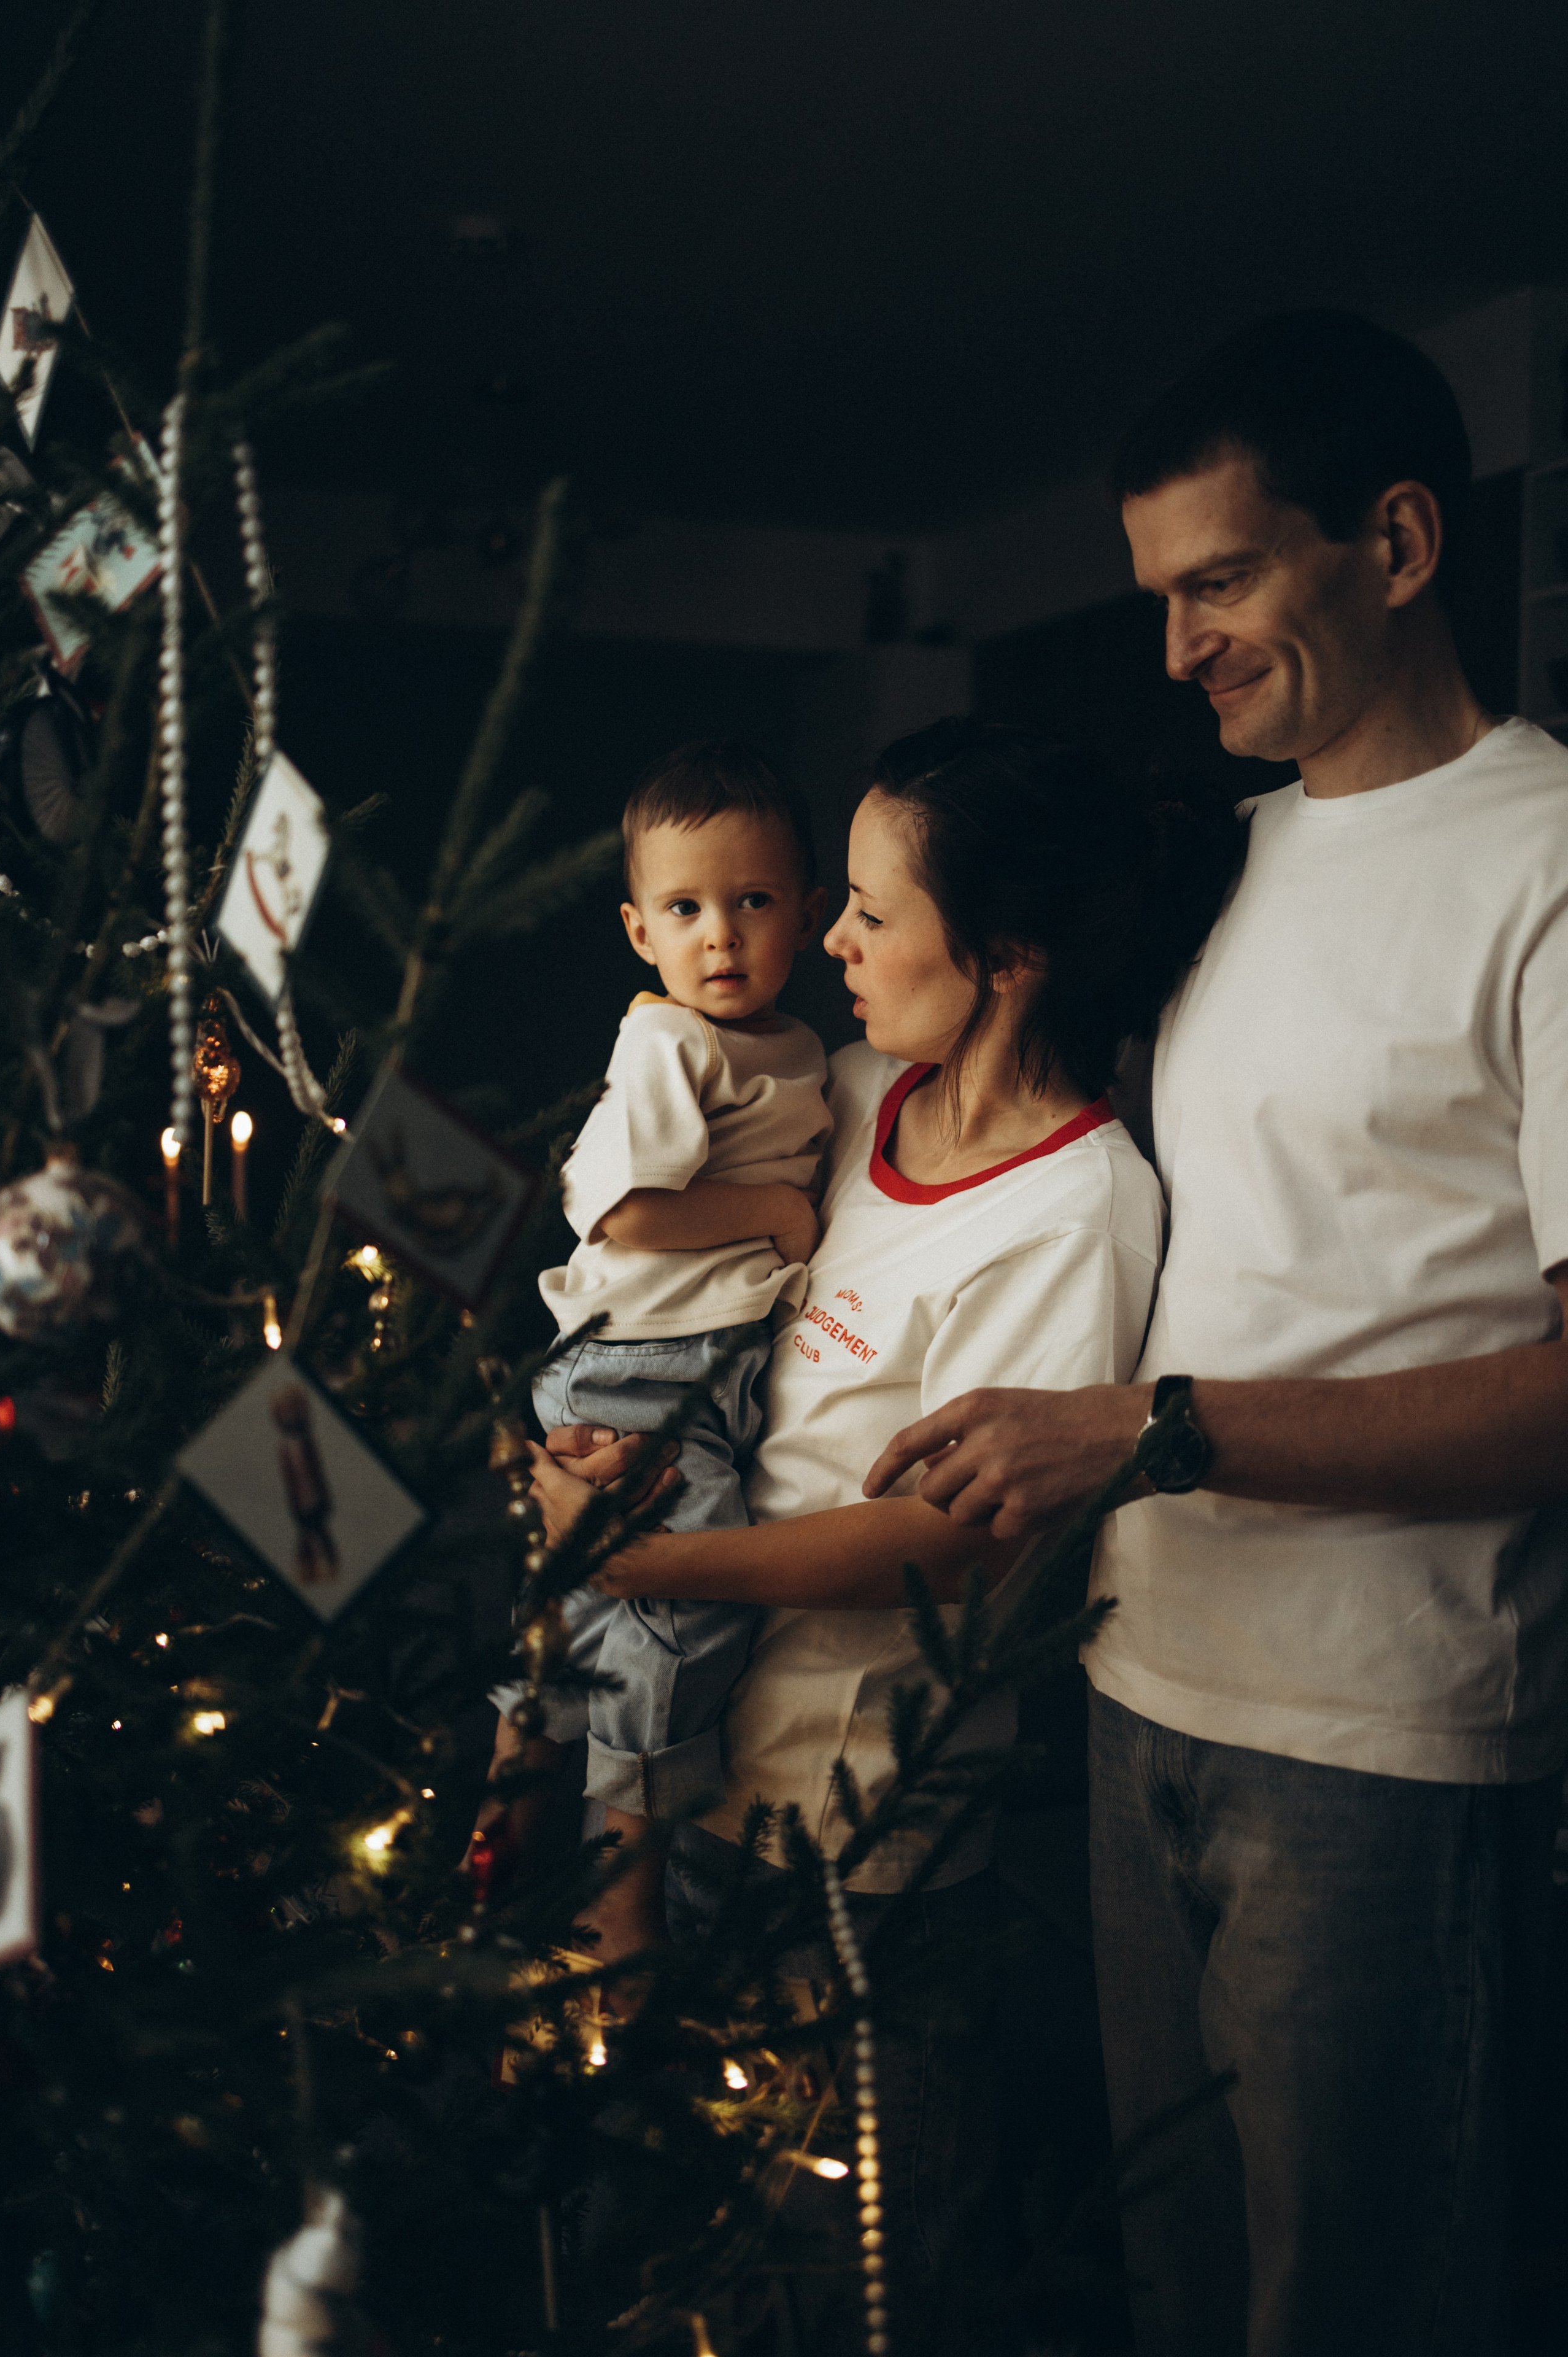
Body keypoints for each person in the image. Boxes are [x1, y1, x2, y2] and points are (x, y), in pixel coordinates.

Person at [865, 312, 1568, 2357]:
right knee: (1172, 2292)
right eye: (1157, 594)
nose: (1175, 649)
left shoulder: (1544, 861)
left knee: (1348, 2313)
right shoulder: (1215, 864)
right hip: (1137, 1689)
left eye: (1222, 583)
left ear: (1404, 543)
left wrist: (1150, 1432)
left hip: (1384, 1749)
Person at [521, 718, 1236, 2339]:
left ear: (1006, 955)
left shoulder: (1079, 1208)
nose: (819, 940)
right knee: (689, 2255)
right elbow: (668, 1282)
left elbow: (943, 1541)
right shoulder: (849, 1093)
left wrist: (629, 1563)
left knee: (850, 2285)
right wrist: (590, 1445)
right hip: (702, 1775)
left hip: (869, 1848)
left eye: (863, 910)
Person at [492, 740, 830, 1959]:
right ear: (639, 930)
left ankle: (511, 1802)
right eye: (685, 910)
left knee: (590, 1602)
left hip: (693, 1363)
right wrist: (776, 1219)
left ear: (810, 910)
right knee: (680, 1605)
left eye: (750, 903)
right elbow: (620, 1209)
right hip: (640, 1363)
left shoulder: (789, 1049)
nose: (721, 938)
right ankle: (617, 1898)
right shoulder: (666, 1046)